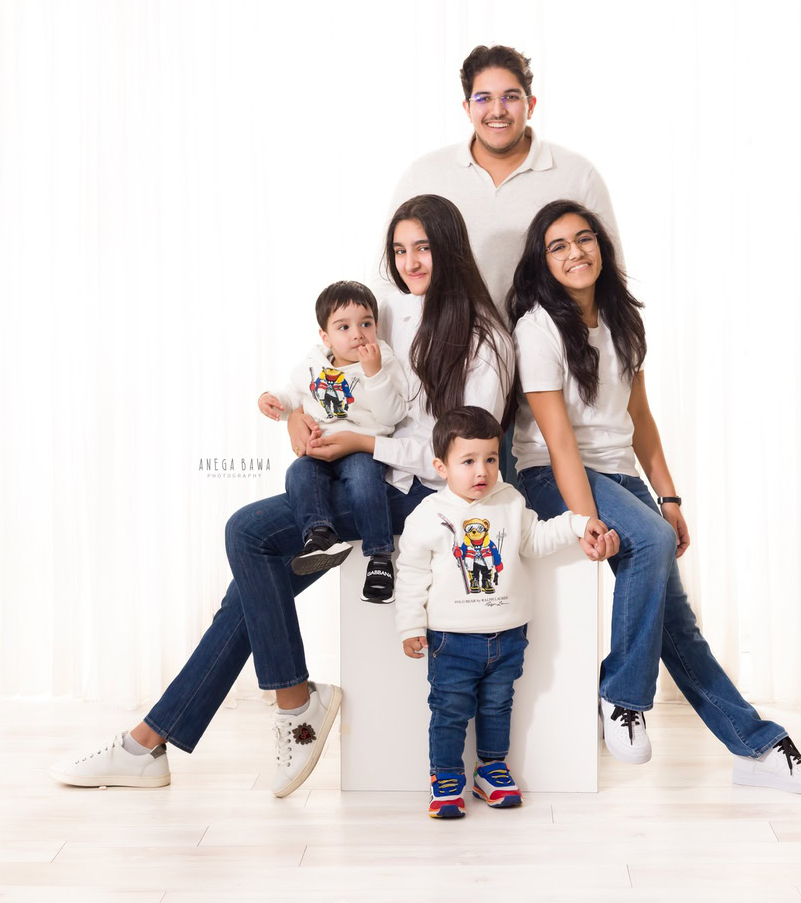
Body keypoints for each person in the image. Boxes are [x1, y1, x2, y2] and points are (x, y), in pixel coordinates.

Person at [49, 194, 522, 798]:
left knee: (248, 535)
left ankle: (278, 708)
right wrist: (300, 418)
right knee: (249, 595)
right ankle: (150, 742)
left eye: (424, 248)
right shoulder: (397, 313)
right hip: (365, 471)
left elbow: (458, 450)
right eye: (400, 250)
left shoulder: (484, 340)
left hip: (419, 495)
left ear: (450, 249)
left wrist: (363, 443)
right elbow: (338, 378)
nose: (410, 261)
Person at [507, 199, 801, 795]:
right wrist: (583, 517)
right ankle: (621, 697)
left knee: (680, 632)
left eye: (584, 239)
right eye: (558, 246)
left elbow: (640, 416)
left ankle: (757, 748)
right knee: (651, 540)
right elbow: (556, 439)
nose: (575, 252)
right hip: (552, 476)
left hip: (619, 477)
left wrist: (670, 496)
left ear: (601, 248)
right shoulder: (537, 327)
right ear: (543, 262)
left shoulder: (621, 319)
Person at [388, 43, 623, 486]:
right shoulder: (426, 173)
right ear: (466, 107)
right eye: (484, 98)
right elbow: (391, 279)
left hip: (546, 373)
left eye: (511, 97)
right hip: (458, 370)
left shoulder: (576, 174)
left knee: (522, 521)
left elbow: (608, 277)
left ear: (531, 104)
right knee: (469, 516)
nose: (498, 110)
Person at [395, 406, 617, 818]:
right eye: (468, 461)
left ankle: (492, 768)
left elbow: (535, 538)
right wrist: (409, 624)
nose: (482, 471)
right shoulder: (428, 516)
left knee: (498, 706)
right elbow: (410, 574)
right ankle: (445, 776)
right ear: (441, 466)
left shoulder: (510, 501)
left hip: (507, 635)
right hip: (451, 638)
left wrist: (576, 523)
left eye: (491, 459)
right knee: (449, 709)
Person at [258, 280, 408, 603]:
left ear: (376, 327)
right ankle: (319, 534)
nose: (357, 334)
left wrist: (374, 373)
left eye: (366, 324)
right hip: (320, 447)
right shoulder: (314, 364)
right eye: (344, 327)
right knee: (298, 474)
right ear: (325, 336)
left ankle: (380, 557)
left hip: (360, 448)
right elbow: (294, 393)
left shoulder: (383, 362)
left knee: (365, 481)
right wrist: (273, 400)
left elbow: (392, 415)